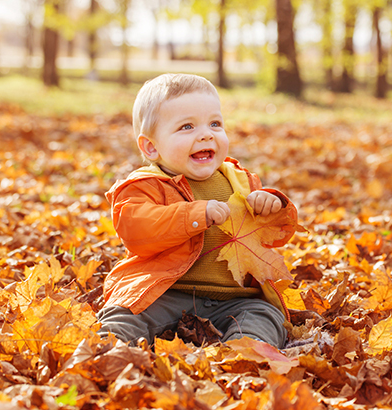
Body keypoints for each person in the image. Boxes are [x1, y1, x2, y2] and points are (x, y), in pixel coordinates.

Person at [97, 73, 297, 348]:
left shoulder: (240, 181)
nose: (206, 134)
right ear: (151, 147)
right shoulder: (145, 185)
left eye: (215, 123)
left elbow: (274, 237)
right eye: (187, 127)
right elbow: (136, 230)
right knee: (126, 316)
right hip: (164, 293)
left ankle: (245, 354)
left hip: (234, 298)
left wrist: (274, 205)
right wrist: (194, 215)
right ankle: (107, 352)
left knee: (264, 316)